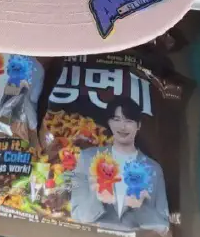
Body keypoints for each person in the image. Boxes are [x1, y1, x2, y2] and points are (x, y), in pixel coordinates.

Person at [67, 96, 170, 230]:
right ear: (109, 123)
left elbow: (164, 226)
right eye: (116, 119)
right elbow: (76, 216)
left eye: (129, 120)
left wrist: (140, 208)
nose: (122, 126)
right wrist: (98, 199)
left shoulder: (154, 169)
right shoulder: (87, 159)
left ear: (138, 125)